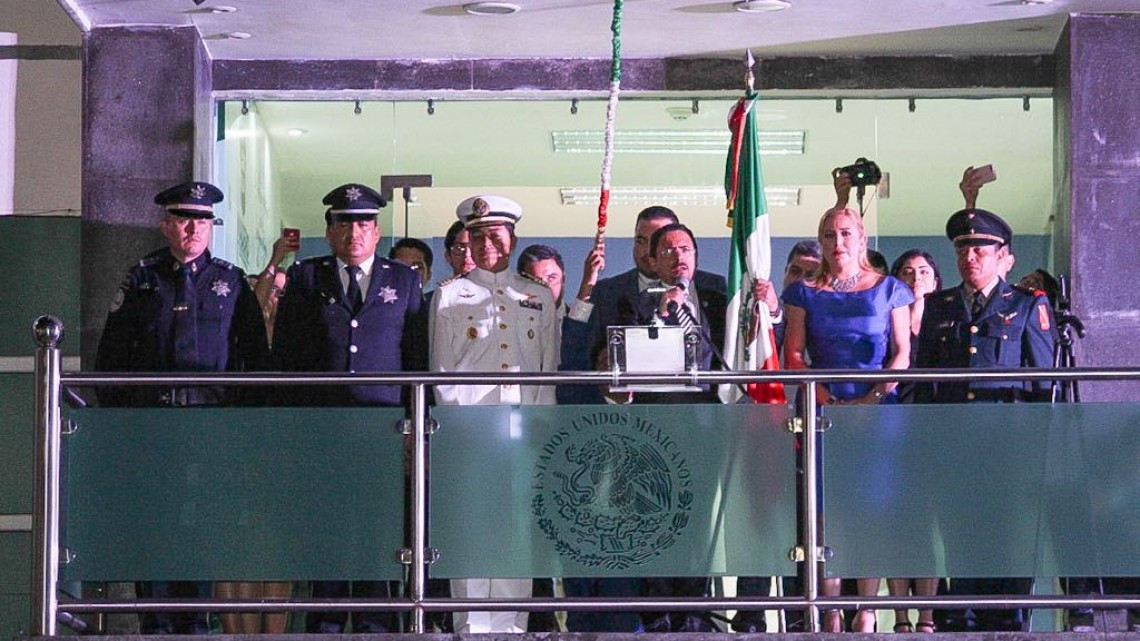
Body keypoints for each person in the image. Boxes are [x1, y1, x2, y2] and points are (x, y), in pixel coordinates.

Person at [96, 181, 268, 635]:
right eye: (184, 219)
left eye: (203, 220)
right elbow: (110, 361)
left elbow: (254, 363)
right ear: (165, 224)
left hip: (210, 429)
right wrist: (123, 428)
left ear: (212, 226)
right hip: (151, 429)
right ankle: (155, 624)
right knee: (153, 526)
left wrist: (244, 430)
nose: (193, 228)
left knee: (203, 525)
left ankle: (196, 622)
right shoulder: (141, 279)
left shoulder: (232, 283)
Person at [273, 182, 426, 633]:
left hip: (384, 429)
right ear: (330, 230)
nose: (354, 232)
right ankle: (326, 626)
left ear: (377, 232)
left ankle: (377, 627)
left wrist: (416, 427)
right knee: (327, 534)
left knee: (380, 536)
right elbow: (286, 359)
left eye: (364, 223)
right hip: (322, 430)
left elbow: (415, 358)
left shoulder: (403, 279)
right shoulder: (305, 278)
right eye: (345, 223)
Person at [915, 207, 1057, 632]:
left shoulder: (1029, 305)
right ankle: (964, 618)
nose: (970, 257)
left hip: (1008, 448)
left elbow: (1042, 382)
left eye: (980, 248)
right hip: (954, 447)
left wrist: (1036, 450)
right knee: (960, 538)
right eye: (963, 249)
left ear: (1004, 258)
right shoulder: (939, 306)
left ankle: (1009, 621)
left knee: (1010, 541)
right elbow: (924, 383)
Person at [430, 195, 560, 633]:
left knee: (515, 531)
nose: (488, 244)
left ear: (512, 239)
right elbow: (442, 372)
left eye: (497, 236)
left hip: (522, 429)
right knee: (469, 529)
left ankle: (510, 625)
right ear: (468, 240)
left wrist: (541, 431)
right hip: (470, 430)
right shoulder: (451, 295)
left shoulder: (537, 294)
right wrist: (455, 429)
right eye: (479, 236)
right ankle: (469, 625)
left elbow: (547, 370)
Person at [782, 206, 913, 633]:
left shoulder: (890, 288)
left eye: (845, 234)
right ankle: (831, 608)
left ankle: (868, 607)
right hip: (824, 413)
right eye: (827, 235)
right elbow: (794, 356)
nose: (837, 243)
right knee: (827, 513)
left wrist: (872, 398)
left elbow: (901, 355)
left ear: (862, 238)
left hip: (879, 411)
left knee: (873, 509)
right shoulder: (804, 291)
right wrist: (825, 400)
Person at [613, 222, 726, 633]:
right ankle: (658, 613)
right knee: (654, 521)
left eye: (686, 249)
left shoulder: (718, 296)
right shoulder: (635, 304)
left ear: (695, 255)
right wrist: (663, 310)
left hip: (705, 427)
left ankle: (694, 612)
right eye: (669, 251)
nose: (679, 257)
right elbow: (621, 361)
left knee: (697, 523)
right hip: (654, 432)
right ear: (654, 260)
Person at [885, 248, 942, 633]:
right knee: (893, 523)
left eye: (923, 271)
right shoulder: (887, 318)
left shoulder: (947, 318)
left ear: (936, 280)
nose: (915, 277)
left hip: (932, 431)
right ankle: (900, 617)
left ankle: (927, 616)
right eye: (906, 271)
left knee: (926, 525)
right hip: (891, 426)